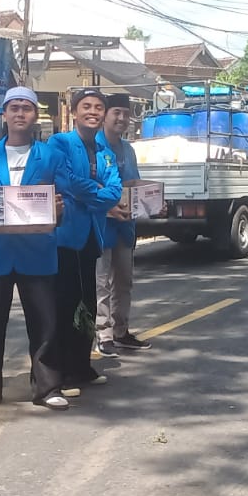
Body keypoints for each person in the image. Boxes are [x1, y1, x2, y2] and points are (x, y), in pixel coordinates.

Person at [0, 87, 72, 412]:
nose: (20, 113)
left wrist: (60, 210)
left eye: (26, 108)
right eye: (14, 108)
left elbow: (66, 197)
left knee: (45, 324)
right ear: (4, 115)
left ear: (36, 115)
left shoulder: (51, 157)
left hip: (36, 251)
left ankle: (48, 387)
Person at [49, 88, 122, 396]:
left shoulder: (106, 151)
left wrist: (90, 194)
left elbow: (115, 191)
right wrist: (97, 191)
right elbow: (65, 182)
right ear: (75, 111)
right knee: (64, 305)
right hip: (65, 236)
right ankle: (62, 372)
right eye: (86, 106)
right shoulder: (60, 143)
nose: (93, 111)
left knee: (88, 304)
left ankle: (82, 366)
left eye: (98, 107)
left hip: (92, 235)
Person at [95, 93, 152, 359]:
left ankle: (121, 331)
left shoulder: (128, 150)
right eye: (116, 112)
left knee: (124, 281)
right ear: (105, 115)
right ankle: (103, 335)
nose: (121, 118)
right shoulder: (94, 147)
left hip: (126, 225)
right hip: (102, 224)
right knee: (101, 282)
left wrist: (154, 202)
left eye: (126, 114)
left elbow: (134, 185)